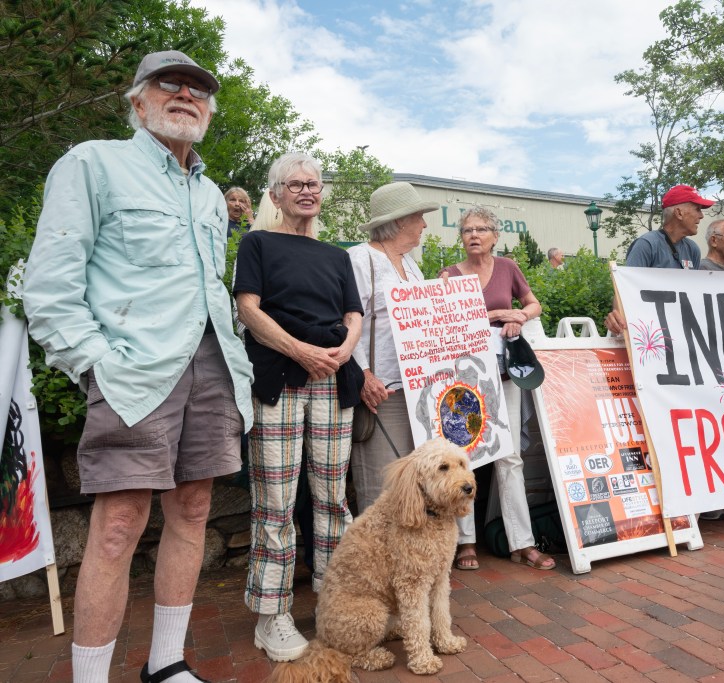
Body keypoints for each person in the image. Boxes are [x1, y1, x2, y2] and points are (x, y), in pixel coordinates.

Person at [22, 50, 253, 683]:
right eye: (168, 84)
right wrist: (96, 364)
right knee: (119, 523)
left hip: (212, 368)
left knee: (194, 511)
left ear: (208, 110)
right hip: (134, 371)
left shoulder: (210, 194)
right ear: (137, 100)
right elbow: (49, 285)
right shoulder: (93, 163)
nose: (185, 95)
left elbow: (208, 288)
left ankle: (165, 664)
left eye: (198, 90)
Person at [234, 152, 364, 662]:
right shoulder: (257, 243)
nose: (306, 191)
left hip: (334, 379)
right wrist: (300, 351)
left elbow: (353, 314)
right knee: (277, 501)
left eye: (313, 184)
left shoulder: (338, 255)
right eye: (295, 185)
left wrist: (344, 350)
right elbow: (248, 308)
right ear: (275, 194)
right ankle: (272, 615)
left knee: (333, 498)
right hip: (281, 379)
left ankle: (336, 602)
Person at [439, 206, 555, 572]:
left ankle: (522, 542)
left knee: (509, 456)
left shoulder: (508, 268)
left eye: (481, 229)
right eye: (467, 230)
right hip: (464, 377)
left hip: (506, 371)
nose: (474, 235)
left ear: (495, 235)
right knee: (464, 455)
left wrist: (520, 316)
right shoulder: (449, 275)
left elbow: (534, 303)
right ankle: (465, 541)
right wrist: (492, 316)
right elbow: (443, 321)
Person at [347, 182, 439, 513]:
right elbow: (347, 321)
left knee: (415, 483)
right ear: (400, 221)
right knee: (381, 484)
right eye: (419, 217)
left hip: (417, 391)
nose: (424, 225)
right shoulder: (360, 258)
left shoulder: (411, 265)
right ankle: (378, 560)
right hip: (381, 391)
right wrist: (364, 375)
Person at [605, 184, 712, 334]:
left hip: (681, 331)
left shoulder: (693, 249)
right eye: (697, 209)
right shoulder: (646, 245)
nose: (701, 216)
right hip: (653, 332)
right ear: (679, 213)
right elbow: (624, 290)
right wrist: (617, 315)